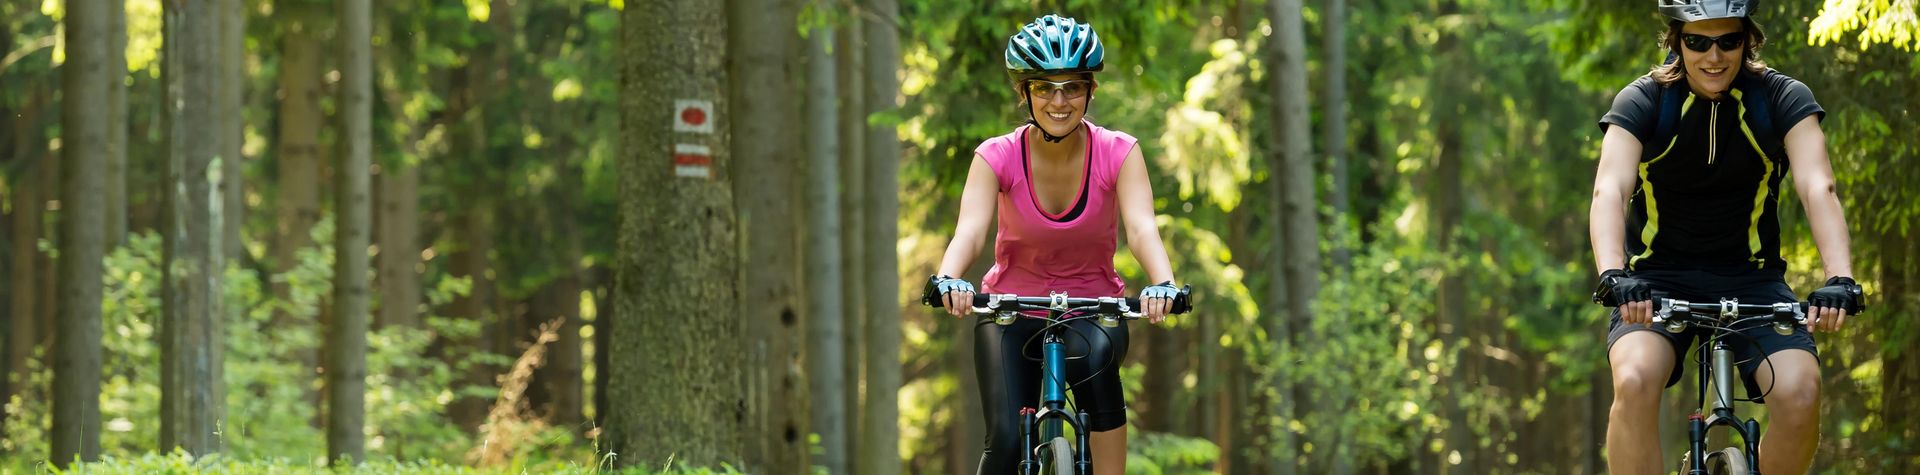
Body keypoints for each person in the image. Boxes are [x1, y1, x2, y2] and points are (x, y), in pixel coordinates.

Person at [1589, 1, 1866, 473]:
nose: (1713, 56)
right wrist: (1614, 273)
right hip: (1655, 282)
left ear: (1747, 40)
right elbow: (1609, 189)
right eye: (1698, 42)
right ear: (1677, 41)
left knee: (1801, 393)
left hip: (1753, 280)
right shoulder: (1645, 100)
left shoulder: (1781, 97)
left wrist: (1839, 277)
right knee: (1634, 380)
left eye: (1728, 41)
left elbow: (1817, 187)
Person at [923, 14, 1179, 475]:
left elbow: (1142, 229)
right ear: (1024, 92)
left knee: (1099, 379)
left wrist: (1163, 283)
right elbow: (970, 231)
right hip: (1009, 309)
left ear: (1090, 91)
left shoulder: (1119, 152)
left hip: (1093, 309)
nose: (1059, 102)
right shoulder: (996, 155)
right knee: (1005, 440)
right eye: (1044, 88)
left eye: (1072, 87)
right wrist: (948, 278)